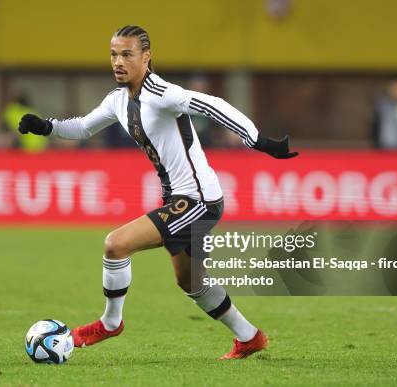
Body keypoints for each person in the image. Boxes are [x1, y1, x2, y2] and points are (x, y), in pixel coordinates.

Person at [18, 25, 298, 359]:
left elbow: (214, 105)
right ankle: (249, 337)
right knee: (190, 282)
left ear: (146, 57)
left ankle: (110, 323)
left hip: (199, 200)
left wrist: (259, 142)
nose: (118, 62)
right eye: (113, 54)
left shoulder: (163, 93)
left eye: (127, 54)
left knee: (116, 244)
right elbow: (83, 126)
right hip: (179, 200)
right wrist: (46, 126)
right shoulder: (118, 101)